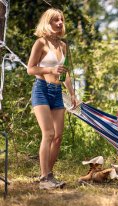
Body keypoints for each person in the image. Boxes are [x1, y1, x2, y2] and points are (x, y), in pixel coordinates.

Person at [27, 8, 77, 190]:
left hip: (57, 92)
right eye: (55, 20)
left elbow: (65, 74)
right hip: (41, 90)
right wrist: (49, 70)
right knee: (47, 134)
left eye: (61, 19)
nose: (59, 23)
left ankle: (49, 174)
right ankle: (44, 178)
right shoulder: (40, 43)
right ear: (47, 23)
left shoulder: (63, 46)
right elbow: (30, 69)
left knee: (57, 137)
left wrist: (72, 93)